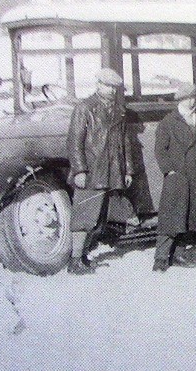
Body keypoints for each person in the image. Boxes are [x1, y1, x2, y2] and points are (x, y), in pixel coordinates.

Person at [66, 68, 135, 274]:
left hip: (112, 171)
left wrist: (128, 170)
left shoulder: (119, 111)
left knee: (98, 217)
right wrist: (79, 170)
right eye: (107, 86)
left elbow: (125, 142)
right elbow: (74, 142)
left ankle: (83, 256)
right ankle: (75, 260)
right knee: (83, 216)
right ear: (97, 85)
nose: (112, 91)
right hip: (92, 171)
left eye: (115, 87)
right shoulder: (84, 108)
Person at [152, 83, 196, 272]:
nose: (192, 101)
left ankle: (179, 255)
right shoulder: (168, 121)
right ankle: (160, 258)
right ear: (180, 100)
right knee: (170, 216)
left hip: (195, 174)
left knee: (189, 216)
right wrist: (169, 170)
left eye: (194, 97)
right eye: (188, 98)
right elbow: (160, 150)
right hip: (177, 176)